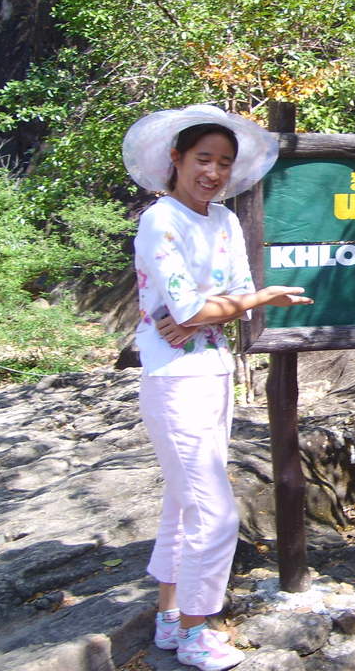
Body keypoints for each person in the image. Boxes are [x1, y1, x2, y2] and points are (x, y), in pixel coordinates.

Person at [123, 104, 313, 670]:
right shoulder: (161, 220)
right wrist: (253, 302)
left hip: (213, 371)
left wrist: (212, 311)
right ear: (175, 159)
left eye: (224, 163)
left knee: (183, 504)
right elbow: (200, 304)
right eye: (203, 158)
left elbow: (222, 297)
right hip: (173, 378)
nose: (213, 172)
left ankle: (168, 615)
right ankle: (196, 629)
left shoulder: (225, 221)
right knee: (216, 512)